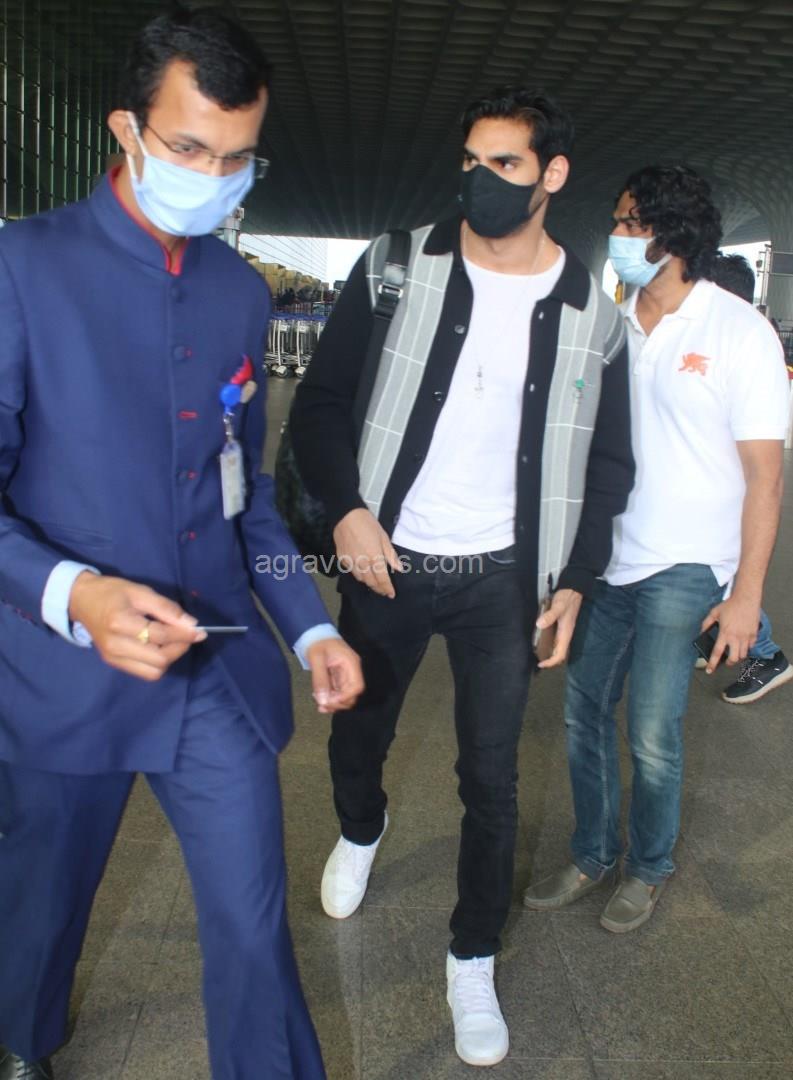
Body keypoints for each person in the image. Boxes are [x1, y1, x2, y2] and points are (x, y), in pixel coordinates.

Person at [0, 8, 363, 1080]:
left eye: (236, 158)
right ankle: (23, 1038)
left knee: (253, 922)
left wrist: (309, 631)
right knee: (41, 902)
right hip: (58, 665)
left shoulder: (237, 294)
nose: (212, 177)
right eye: (190, 148)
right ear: (127, 127)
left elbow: (247, 503)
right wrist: (76, 593)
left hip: (211, 666)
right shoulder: (22, 268)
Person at [290, 87, 635, 1067]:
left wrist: (574, 579)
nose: (480, 181)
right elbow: (319, 404)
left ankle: (471, 956)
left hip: (502, 581)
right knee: (359, 731)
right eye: (471, 162)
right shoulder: (398, 264)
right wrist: (347, 511)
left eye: (505, 165)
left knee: (491, 775)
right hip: (388, 559)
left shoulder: (592, 315)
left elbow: (608, 463)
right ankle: (362, 828)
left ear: (552, 174)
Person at [524, 166, 789, 933]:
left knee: (651, 730)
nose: (617, 235)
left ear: (673, 234)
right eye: (617, 220)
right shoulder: (609, 325)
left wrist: (744, 597)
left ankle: (647, 867)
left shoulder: (735, 330)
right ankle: (590, 853)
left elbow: (764, 477)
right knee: (582, 713)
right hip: (605, 558)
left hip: (687, 563)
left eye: (630, 222)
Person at [707, 254, 792, 704]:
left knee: (717, 578)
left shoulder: (747, 340)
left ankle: (767, 655)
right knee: (708, 576)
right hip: (717, 486)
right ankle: (714, 638)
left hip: (732, 491)